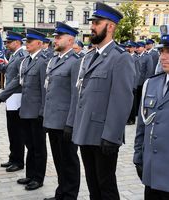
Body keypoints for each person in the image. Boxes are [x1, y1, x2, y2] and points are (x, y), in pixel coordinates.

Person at [73, 2, 135, 200]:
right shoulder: (91, 56)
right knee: (93, 185)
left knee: (106, 186)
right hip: (86, 132)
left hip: (103, 137)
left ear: (110, 27)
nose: (92, 26)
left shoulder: (120, 58)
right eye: (92, 22)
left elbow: (122, 101)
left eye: (97, 23)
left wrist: (111, 136)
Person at [0, 29, 49, 191]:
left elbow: (45, 89)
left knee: (38, 147)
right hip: (26, 109)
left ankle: (38, 177)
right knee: (30, 144)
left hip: (37, 112)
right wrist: (0, 97)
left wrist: (43, 112)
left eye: (30, 42)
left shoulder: (44, 61)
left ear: (39, 44)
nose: (26, 44)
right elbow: (17, 81)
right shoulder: (26, 61)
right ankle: (30, 174)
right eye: (26, 41)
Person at [43, 22, 81, 200]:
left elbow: (76, 96)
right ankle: (61, 193)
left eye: (58, 37)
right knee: (59, 160)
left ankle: (70, 195)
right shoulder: (55, 60)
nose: (54, 40)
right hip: (53, 120)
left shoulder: (75, 62)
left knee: (69, 162)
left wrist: (71, 123)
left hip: (66, 122)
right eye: (55, 37)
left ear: (70, 39)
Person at [133, 34, 169, 200]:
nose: (163, 56)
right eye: (162, 51)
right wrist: (138, 157)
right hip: (153, 172)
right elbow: (142, 123)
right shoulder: (151, 83)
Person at [0, 31, 28, 172]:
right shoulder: (15, 55)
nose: (6, 44)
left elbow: (17, 79)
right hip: (11, 97)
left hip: (16, 97)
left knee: (17, 132)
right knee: (12, 130)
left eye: (9, 42)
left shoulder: (22, 56)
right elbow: (6, 70)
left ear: (17, 42)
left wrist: (1, 96)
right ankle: (13, 157)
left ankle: (18, 161)